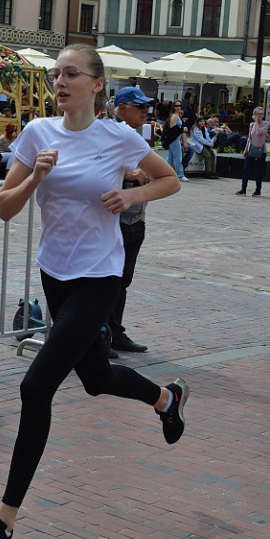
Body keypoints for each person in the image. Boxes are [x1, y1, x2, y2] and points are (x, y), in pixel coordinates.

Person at [0, 44, 188, 539]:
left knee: (36, 387)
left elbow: (170, 178)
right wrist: (35, 177)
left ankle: (3, 525)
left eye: (71, 74)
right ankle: (167, 400)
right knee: (97, 379)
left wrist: (132, 196)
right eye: (56, 74)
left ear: (96, 84)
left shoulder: (118, 136)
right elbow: (3, 209)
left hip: (100, 277)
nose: (60, 82)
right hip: (55, 274)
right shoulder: (37, 133)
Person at [108, 86, 155, 355]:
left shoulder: (136, 136)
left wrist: (141, 218)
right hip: (113, 220)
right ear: (121, 108)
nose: (145, 112)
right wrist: (129, 172)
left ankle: (115, 331)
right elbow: (101, 165)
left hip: (134, 220)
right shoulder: (109, 133)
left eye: (147, 108)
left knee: (122, 281)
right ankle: (101, 334)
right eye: (140, 107)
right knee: (108, 281)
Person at [236, 106, 269, 196]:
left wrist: (257, 123)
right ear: (254, 115)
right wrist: (245, 149)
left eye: (262, 114)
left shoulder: (265, 124)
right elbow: (250, 138)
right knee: (246, 169)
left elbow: (259, 133)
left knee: (258, 171)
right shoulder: (251, 125)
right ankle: (243, 188)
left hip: (261, 150)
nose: (260, 116)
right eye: (258, 114)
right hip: (251, 148)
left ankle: (258, 190)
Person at [165, 102, 189, 182]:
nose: (178, 107)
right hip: (174, 138)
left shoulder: (176, 115)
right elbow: (173, 128)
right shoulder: (174, 116)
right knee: (177, 156)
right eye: (176, 106)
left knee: (171, 157)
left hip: (175, 138)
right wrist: (182, 129)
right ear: (173, 107)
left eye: (180, 106)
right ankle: (180, 175)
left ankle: (166, 173)